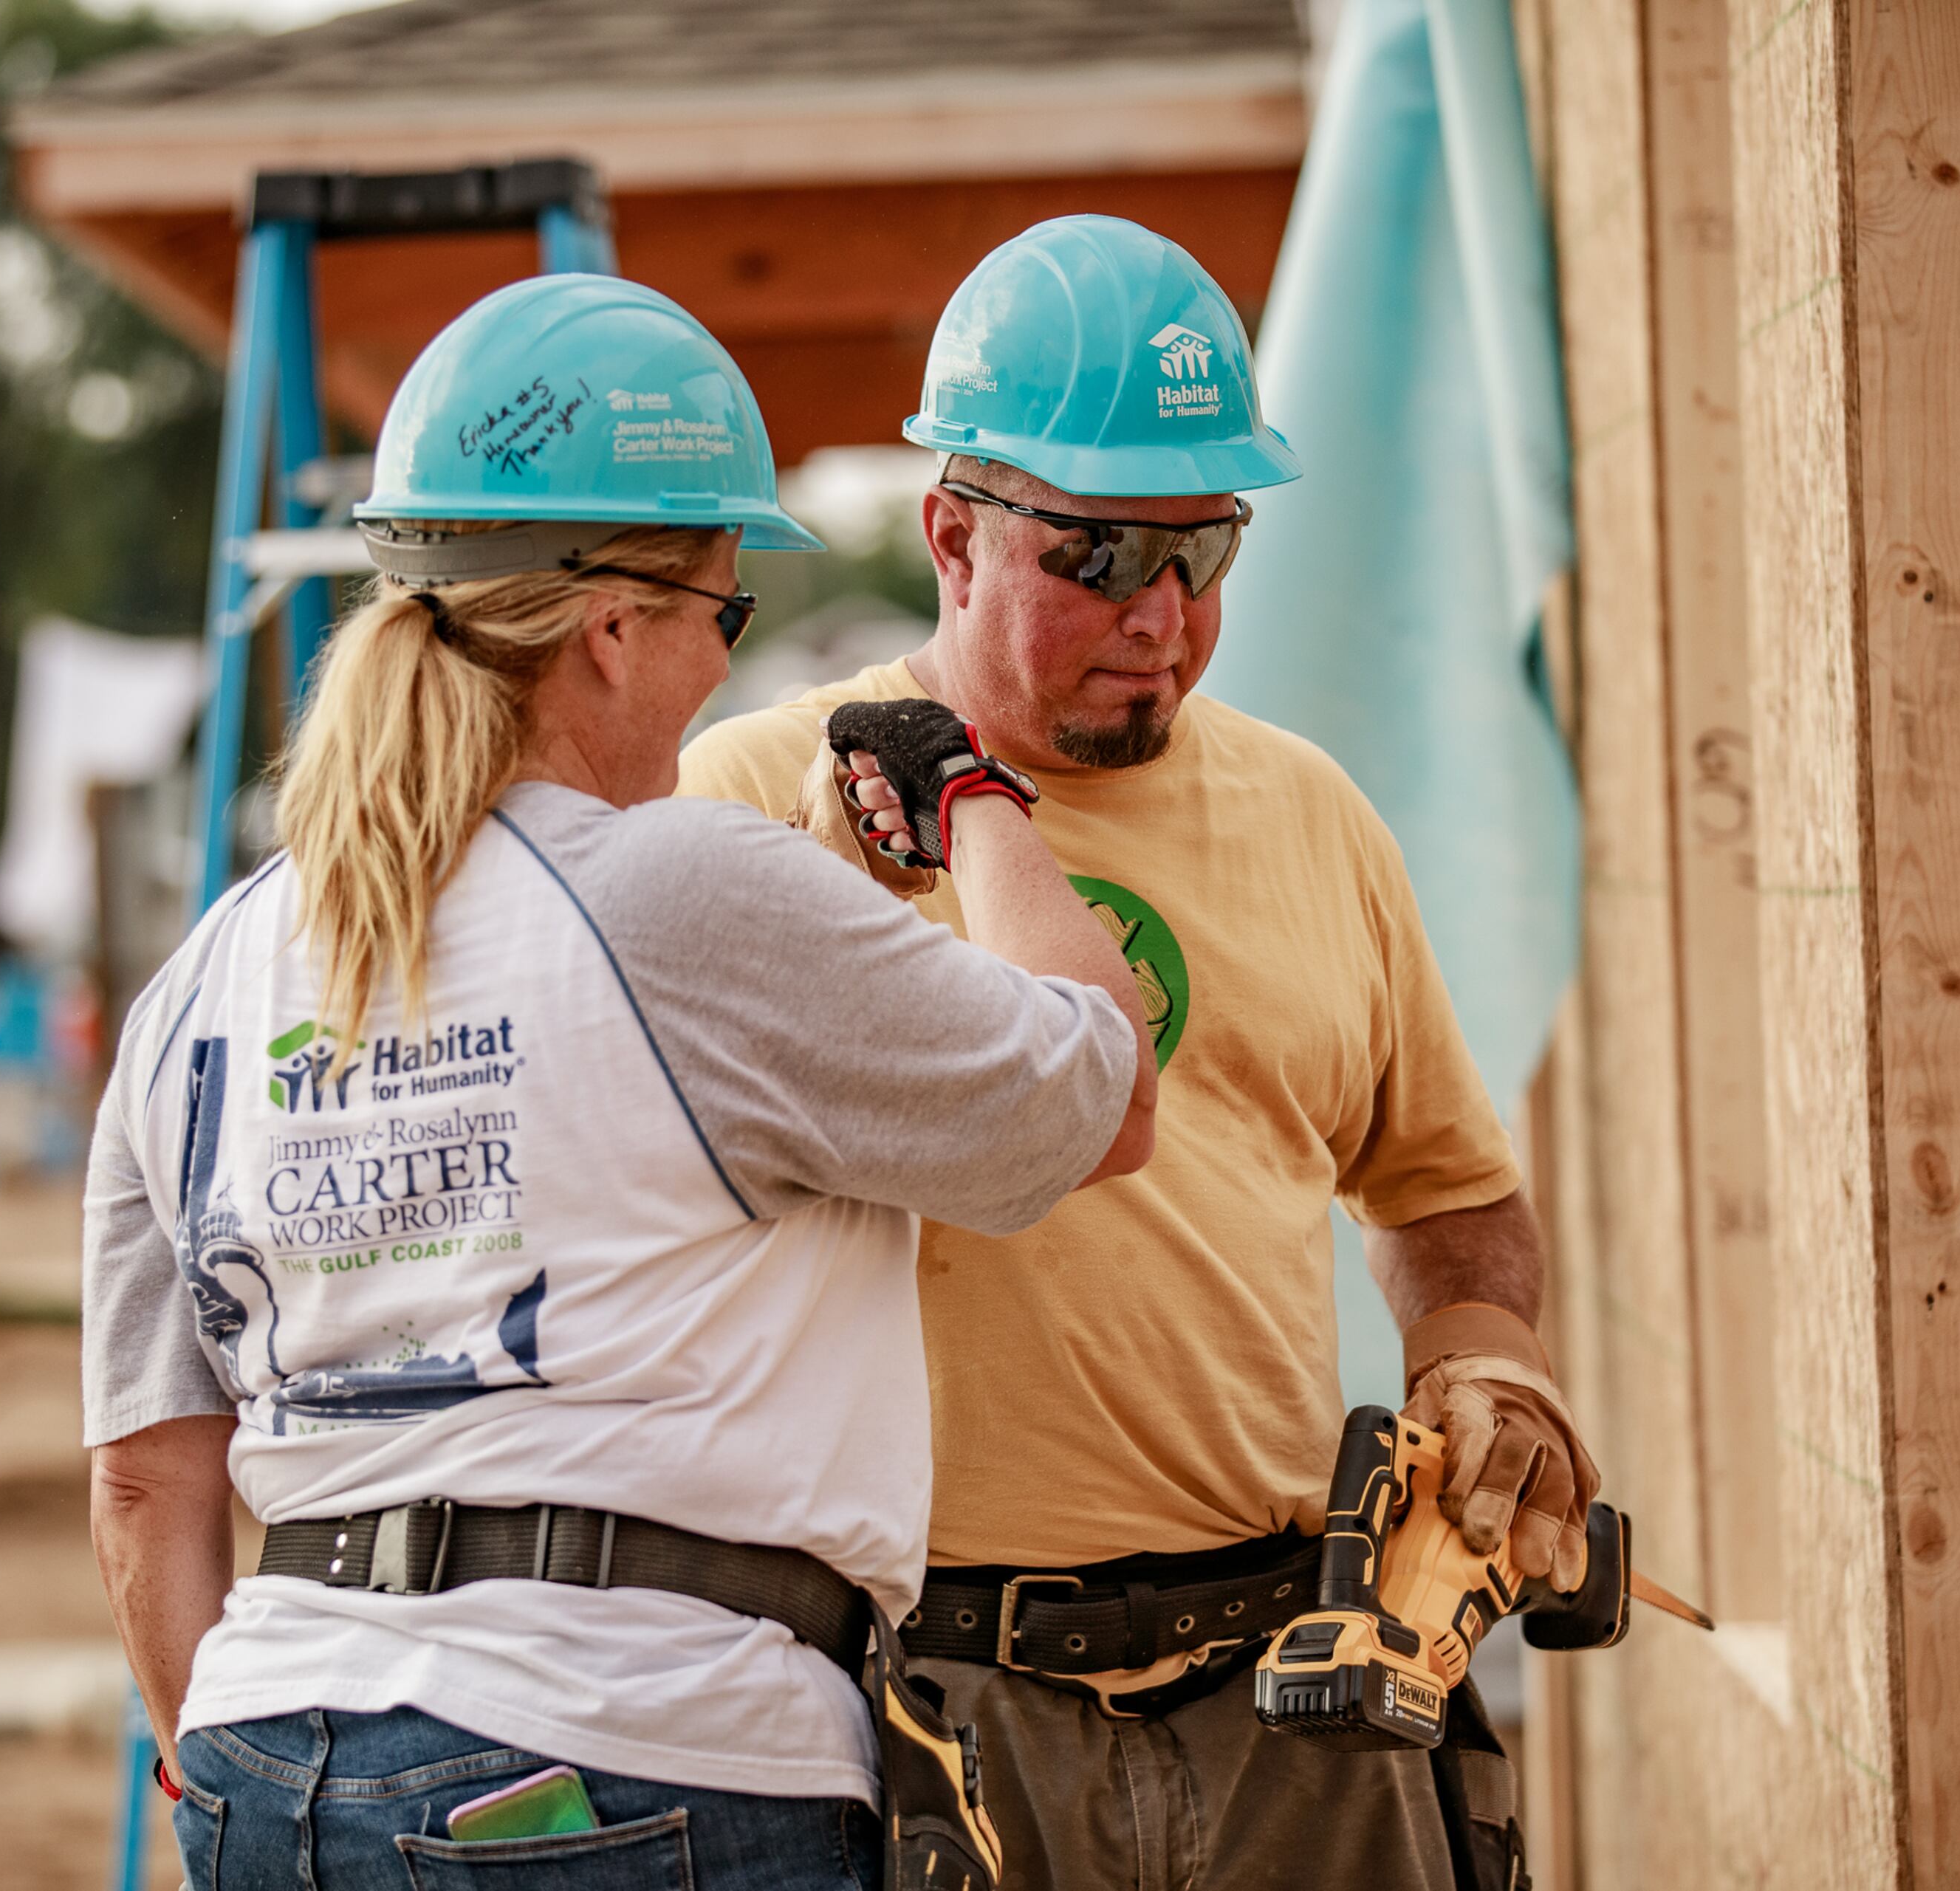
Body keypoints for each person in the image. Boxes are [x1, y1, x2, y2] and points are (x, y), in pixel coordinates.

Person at [80, 272, 1158, 1891]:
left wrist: (255, 1779)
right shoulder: (672, 892)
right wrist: (968, 785)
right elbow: (1094, 1086)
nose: (730, 667)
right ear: (606, 627)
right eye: (721, 612)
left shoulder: (203, 985)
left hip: (266, 1764)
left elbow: (145, 1475)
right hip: (634, 1760)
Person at [678, 215, 1603, 1891]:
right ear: (951, 537)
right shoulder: (758, 800)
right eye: (1098, 558)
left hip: (1297, 1695)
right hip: (933, 1698)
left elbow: (1446, 1196)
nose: (1162, 616)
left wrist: (1485, 1364)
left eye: (1207, 551)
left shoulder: (1312, 816)